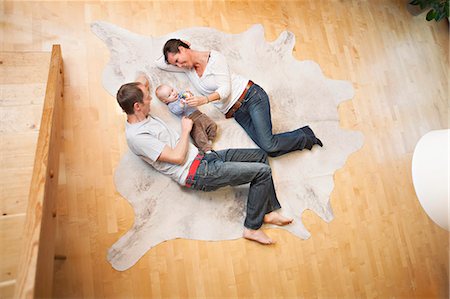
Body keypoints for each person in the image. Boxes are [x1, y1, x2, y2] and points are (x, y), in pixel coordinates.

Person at [116, 74, 293, 245]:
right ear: (137, 106)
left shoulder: (139, 111)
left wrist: (136, 87)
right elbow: (177, 158)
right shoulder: (138, 137)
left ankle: (267, 212)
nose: (151, 100)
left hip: (205, 158)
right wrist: (186, 130)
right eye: (147, 98)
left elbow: (142, 80)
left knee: (260, 155)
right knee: (263, 173)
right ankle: (251, 228)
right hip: (197, 172)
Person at [155, 39, 323, 157]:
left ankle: (305, 136)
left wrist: (203, 100)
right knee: (268, 149)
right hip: (236, 112)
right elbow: (159, 63)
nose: (178, 65)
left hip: (251, 97)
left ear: (183, 50)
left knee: (269, 145)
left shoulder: (215, 59)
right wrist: (182, 48)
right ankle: (304, 137)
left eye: (178, 60)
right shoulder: (187, 68)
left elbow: (225, 90)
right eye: (175, 64)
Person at [155, 83, 217, 153]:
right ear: (165, 101)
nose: (173, 93)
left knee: (212, 125)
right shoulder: (171, 105)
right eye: (169, 95)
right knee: (199, 135)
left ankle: (210, 139)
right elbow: (176, 111)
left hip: (199, 114)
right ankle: (207, 150)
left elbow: (189, 95)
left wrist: (188, 93)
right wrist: (181, 105)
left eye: (172, 90)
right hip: (191, 120)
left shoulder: (180, 94)